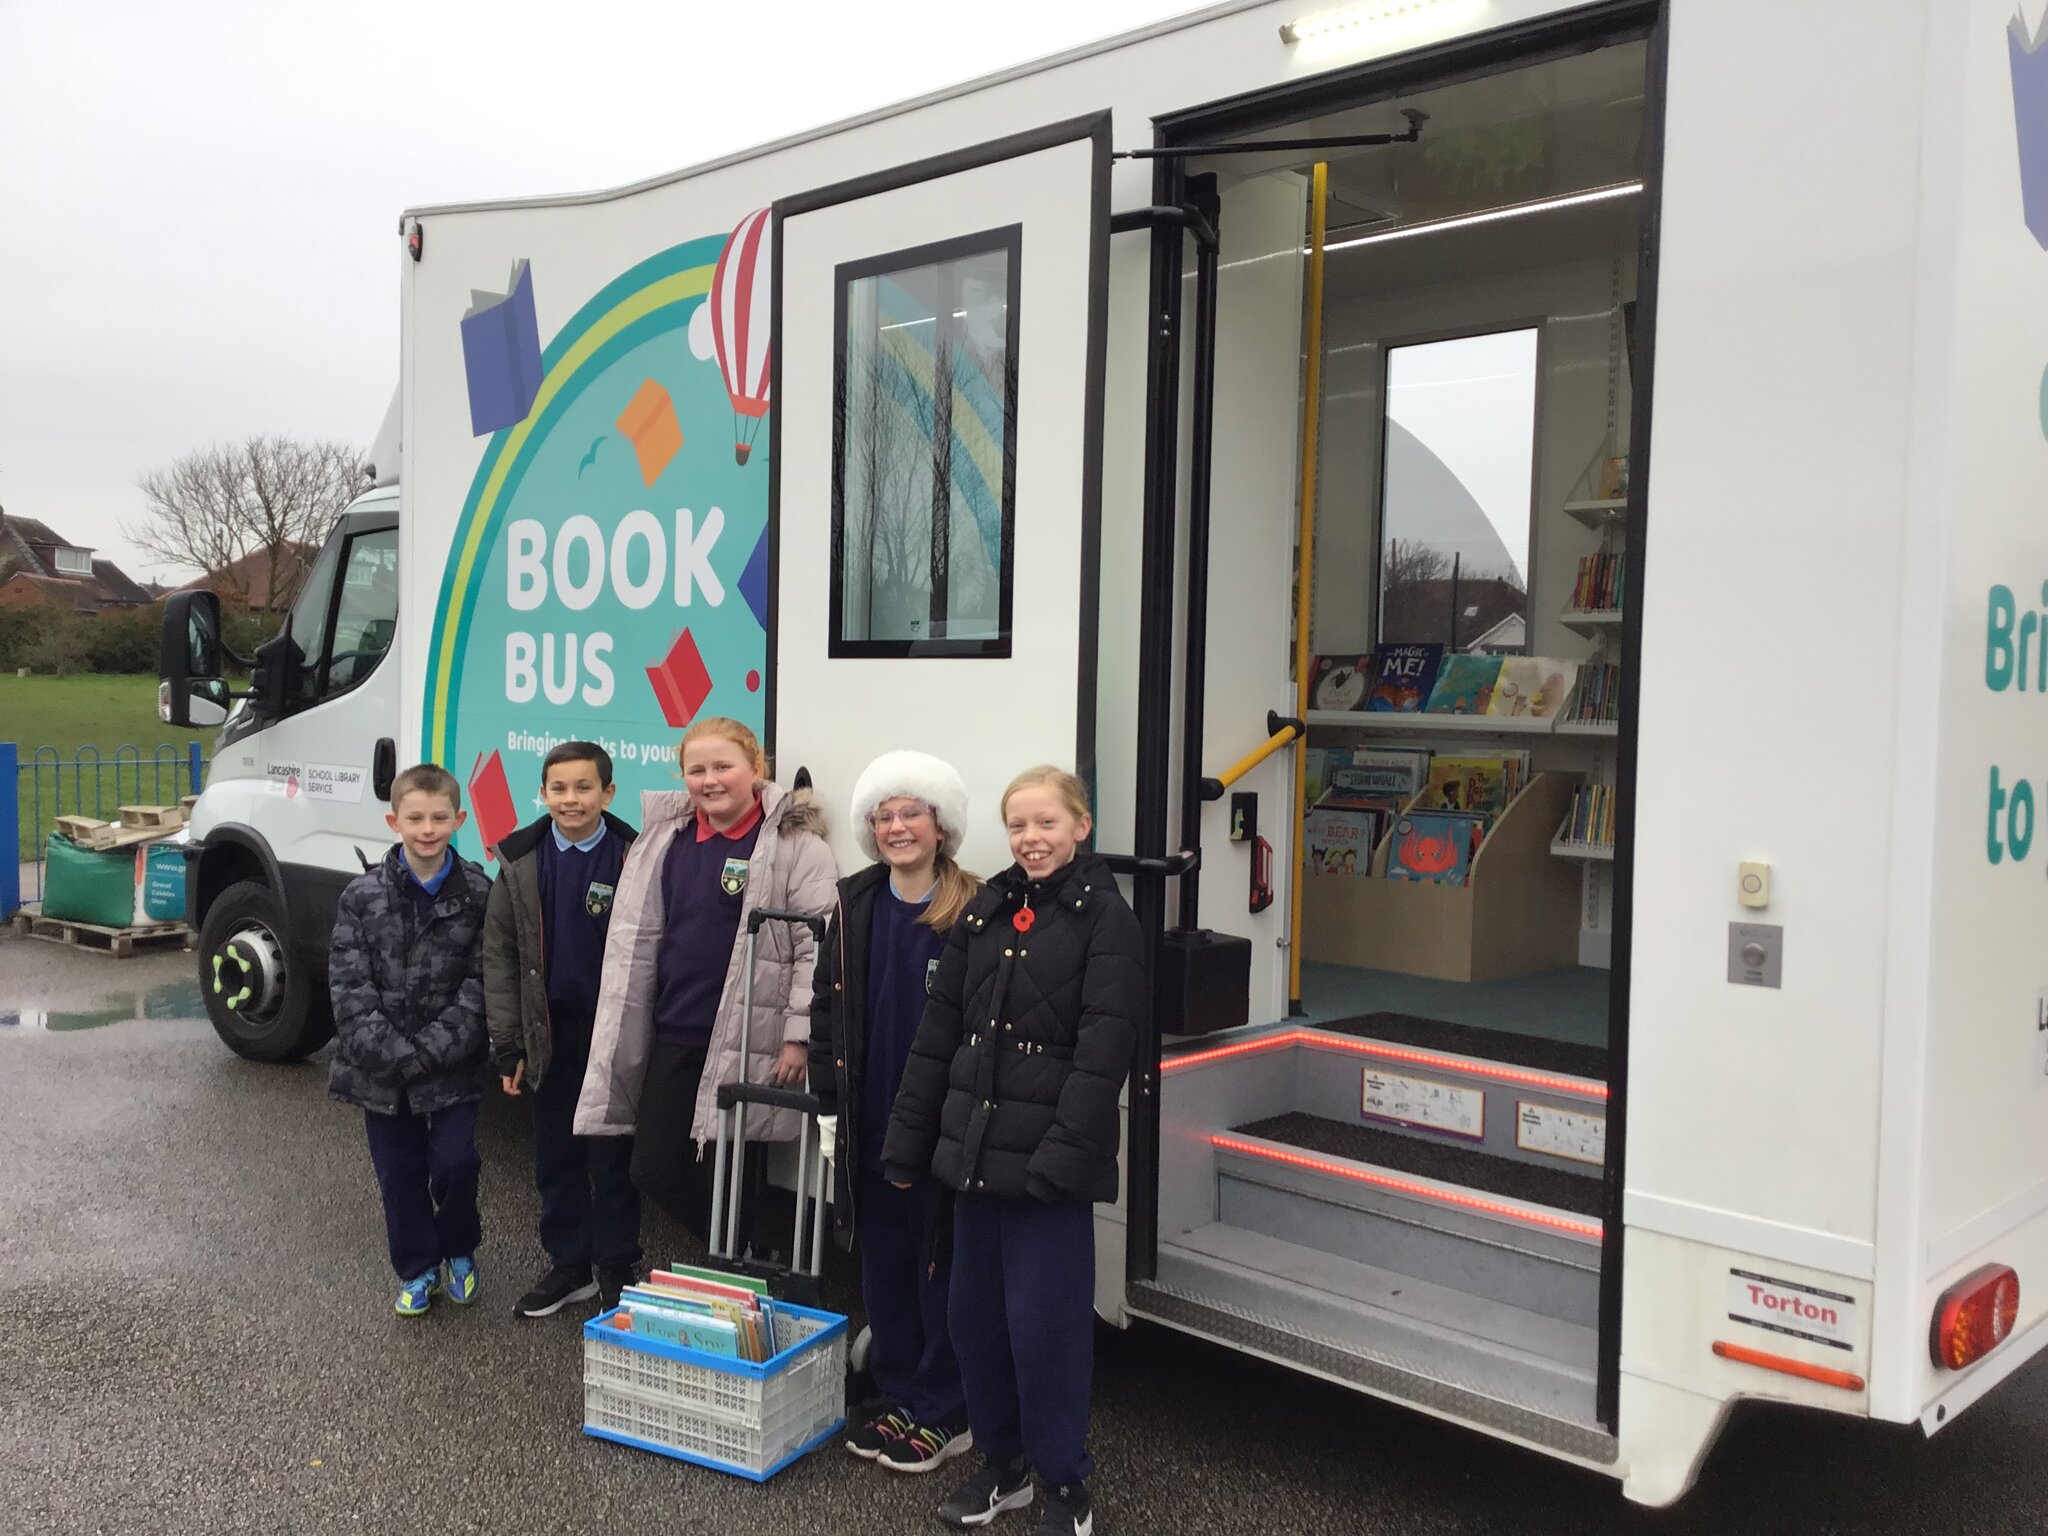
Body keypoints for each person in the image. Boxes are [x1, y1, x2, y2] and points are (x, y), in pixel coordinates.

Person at [883, 766, 1142, 1536]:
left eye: (1047, 824)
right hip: (974, 1159)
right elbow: (937, 1040)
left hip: (1046, 1175)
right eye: (1019, 826)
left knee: (1046, 1331)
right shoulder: (986, 910)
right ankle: (1004, 1465)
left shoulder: (1107, 921)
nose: (1031, 839)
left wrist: (1061, 1160)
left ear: (1081, 827)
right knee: (974, 1322)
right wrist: (907, 1142)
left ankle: (1064, 1482)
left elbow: (1104, 1054)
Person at [574, 717, 837, 1256]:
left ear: (755, 770)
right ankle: (746, 1255)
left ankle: (736, 1273)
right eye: (697, 769)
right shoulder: (665, 838)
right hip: (674, 1028)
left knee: (733, 1173)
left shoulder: (795, 846)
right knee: (653, 1168)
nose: (709, 780)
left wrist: (798, 1034)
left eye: (723, 766)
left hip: (749, 1039)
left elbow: (818, 947)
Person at [810, 751, 978, 1474]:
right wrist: (826, 1106)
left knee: (938, 1263)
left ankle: (948, 1409)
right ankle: (900, 1391)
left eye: (913, 813)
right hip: (870, 1114)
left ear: (941, 827)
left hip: (941, 1127)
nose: (898, 827)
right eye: (885, 816)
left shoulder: (974, 909)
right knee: (883, 1262)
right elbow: (827, 1012)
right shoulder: (854, 903)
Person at [328, 762, 494, 1317]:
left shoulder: (478, 892)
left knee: (454, 1164)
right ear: (393, 820)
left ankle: (459, 1249)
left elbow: (482, 982)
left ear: (459, 819)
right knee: (398, 1177)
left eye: (439, 818)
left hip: (452, 1065)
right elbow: (350, 985)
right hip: (379, 1072)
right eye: (415, 818)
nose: (427, 829)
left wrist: (432, 1049)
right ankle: (418, 1268)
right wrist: (396, 1053)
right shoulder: (362, 895)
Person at [484, 740, 642, 1319]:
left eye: (584, 787)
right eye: (559, 788)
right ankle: (570, 1266)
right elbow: (499, 957)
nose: (571, 799)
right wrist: (509, 1045)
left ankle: (618, 1265)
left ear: (608, 792)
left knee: (613, 1155)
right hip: (549, 1034)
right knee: (556, 1154)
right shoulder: (521, 860)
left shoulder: (634, 856)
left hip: (613, 1037)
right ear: (543, 793)